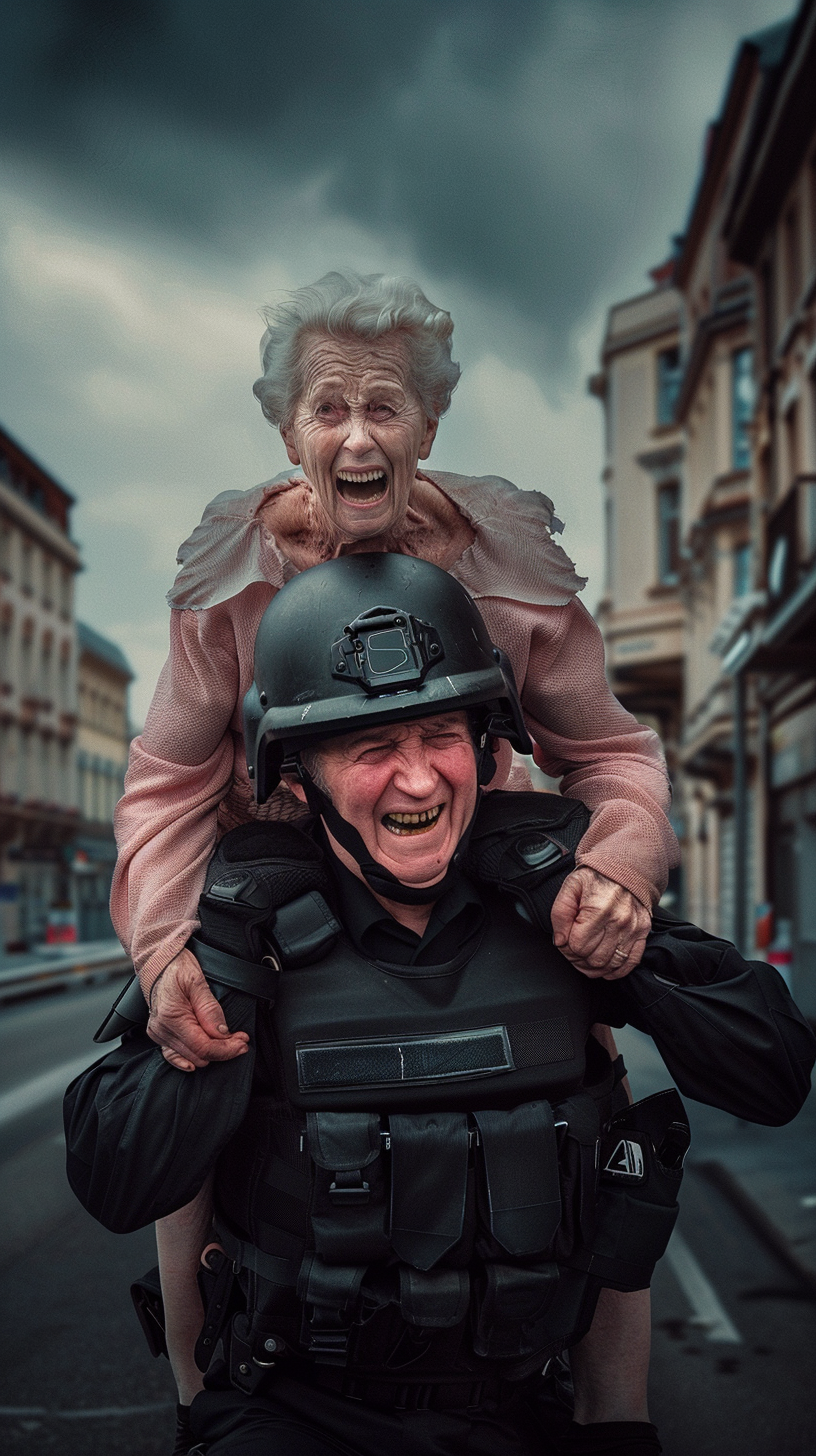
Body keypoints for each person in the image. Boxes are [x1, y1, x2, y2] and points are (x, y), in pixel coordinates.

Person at [70, 557, 815, 1456]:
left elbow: (773, 1069)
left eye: (439, 734)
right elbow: (119, 1180)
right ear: (300, 778)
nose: (418, 780)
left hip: (519, 1410)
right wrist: (220, 973)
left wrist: (629, 942)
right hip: (292, 1418)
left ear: (488, 746)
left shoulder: (558, 907)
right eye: (372, 747)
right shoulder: (245, 940)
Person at [109, 272, 677, 1444]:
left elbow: (615, 754)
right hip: (271, 884)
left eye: (386, 409)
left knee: (599, 1083)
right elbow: (164, 783)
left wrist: (615, 868)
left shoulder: (510, 571)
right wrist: (167, 953)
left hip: (476, 881)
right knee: (193, 1095)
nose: (358, 438)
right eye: (329, 410)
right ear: (288, 430)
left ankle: (614, 1416)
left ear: (429, 426)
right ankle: (198, 1401)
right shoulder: (227, 589)